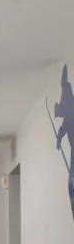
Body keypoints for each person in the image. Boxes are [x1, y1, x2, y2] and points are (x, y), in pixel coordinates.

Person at [55, 64, 74, 221]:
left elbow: (63, 128)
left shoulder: (67, 102)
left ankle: (72, 178)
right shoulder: (67, 112)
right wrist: (59, 141)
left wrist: (59, 140)